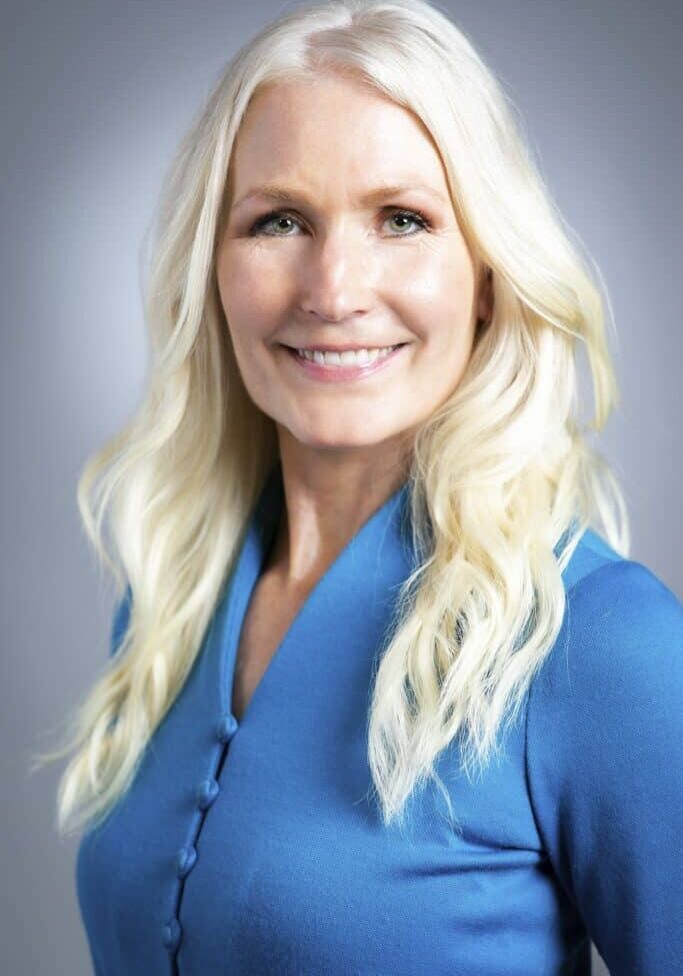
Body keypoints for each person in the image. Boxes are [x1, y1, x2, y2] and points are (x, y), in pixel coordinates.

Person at [33, 0, 682, 973]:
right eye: (278, 220)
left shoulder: (599, 642)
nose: (331, 289)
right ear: (212, 269)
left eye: (402, 219)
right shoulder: (169, 602)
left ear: (486, 277)